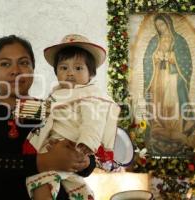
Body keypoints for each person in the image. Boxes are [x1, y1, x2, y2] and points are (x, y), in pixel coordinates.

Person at [0, 35, 96, 200]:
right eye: (5, 64)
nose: (15, 70)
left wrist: (85, 162)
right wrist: (46, 161)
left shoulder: (48, 108)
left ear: (33, 69)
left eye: (24, 63)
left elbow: (85, 156)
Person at [24, 34, 120, 200]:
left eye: (78, 68)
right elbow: (45, 119)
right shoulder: (57, 95)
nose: (70, 73)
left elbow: (94, 122)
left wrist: (87, 144)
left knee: (46, 183)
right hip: (52, 149)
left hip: (76, 148)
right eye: (63, 68)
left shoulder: (90, 96)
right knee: (58, 185)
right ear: (56, 73)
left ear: (90, 74)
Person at [143, 14, 195, 155]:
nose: (160, 28)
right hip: (157, 77)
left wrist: (173, 58)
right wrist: (155, 58)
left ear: (168, 24)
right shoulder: (154, 41)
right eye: (158, 26)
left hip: (173, 77)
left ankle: (175, 130)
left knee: (172, 103)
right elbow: (147, 59)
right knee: (158, 101)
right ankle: (159, 128)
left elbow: (186, 61)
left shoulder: (179, 41)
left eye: (162, 24)